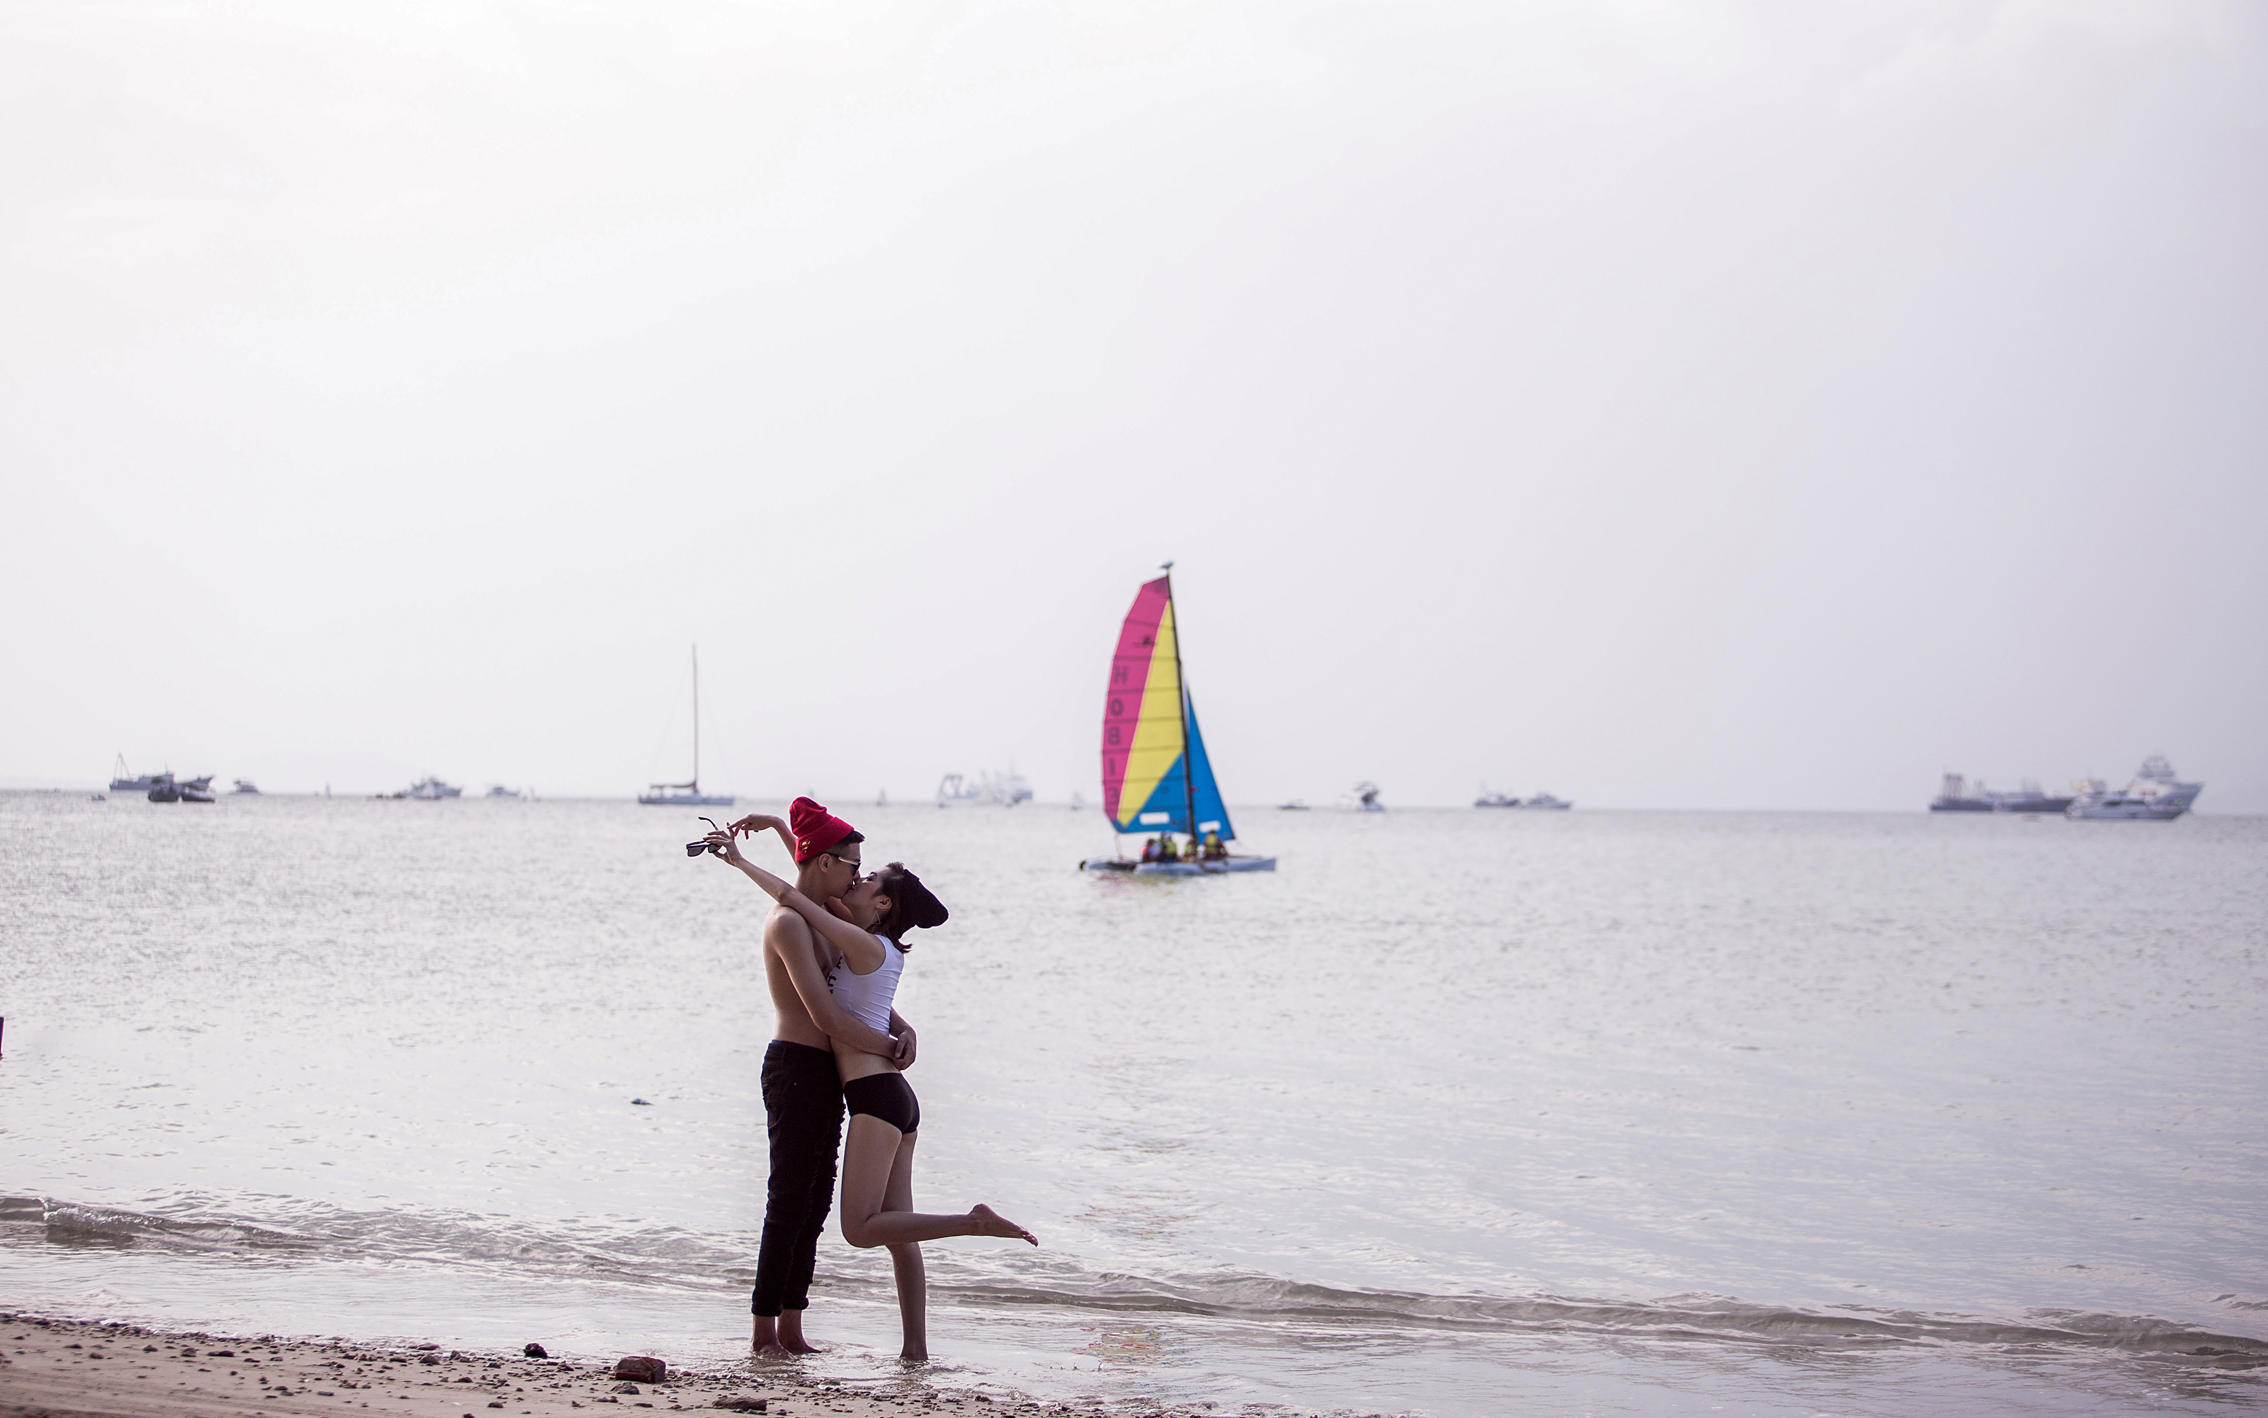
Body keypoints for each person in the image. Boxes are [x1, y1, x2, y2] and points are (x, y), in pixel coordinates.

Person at [708, 826, 1037, 1362]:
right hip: (882, 1092)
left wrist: (741, 860)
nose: (857, 876)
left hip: (872, 1092)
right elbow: (808, 876)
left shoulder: (853, 939)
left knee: (853, 1225)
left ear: (882, 902)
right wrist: (775, 826)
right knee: (837, 1213)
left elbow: (806, 888)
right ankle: (912, 1351)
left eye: (868, 875)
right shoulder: (855, 932)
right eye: (853, 867)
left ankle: (971, 1223)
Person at [715, 797, 910, 1356]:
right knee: (788, 1199)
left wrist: (902, 1024)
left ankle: (793, 1327)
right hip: (795, 1068)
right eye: (853, 866)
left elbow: (853, 984)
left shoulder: (825, 911)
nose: (857, 876)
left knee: (817, 1200)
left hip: (828, 1071)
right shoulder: (788, 924)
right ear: (828, 863)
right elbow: (825, 1015)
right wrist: (887, 1046)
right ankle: (763, 1331)